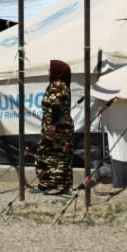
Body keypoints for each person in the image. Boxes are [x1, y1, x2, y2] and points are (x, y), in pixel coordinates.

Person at [32, 59, 74, 195]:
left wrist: (53, 124)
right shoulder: (54, 85)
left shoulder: (59, 85)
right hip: (51, 127)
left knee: (58, 156)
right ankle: (47, 184)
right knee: (47, 154)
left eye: (51, 69)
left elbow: (57, 106)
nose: (48, 72)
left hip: (58, 128)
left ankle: (60, 187)